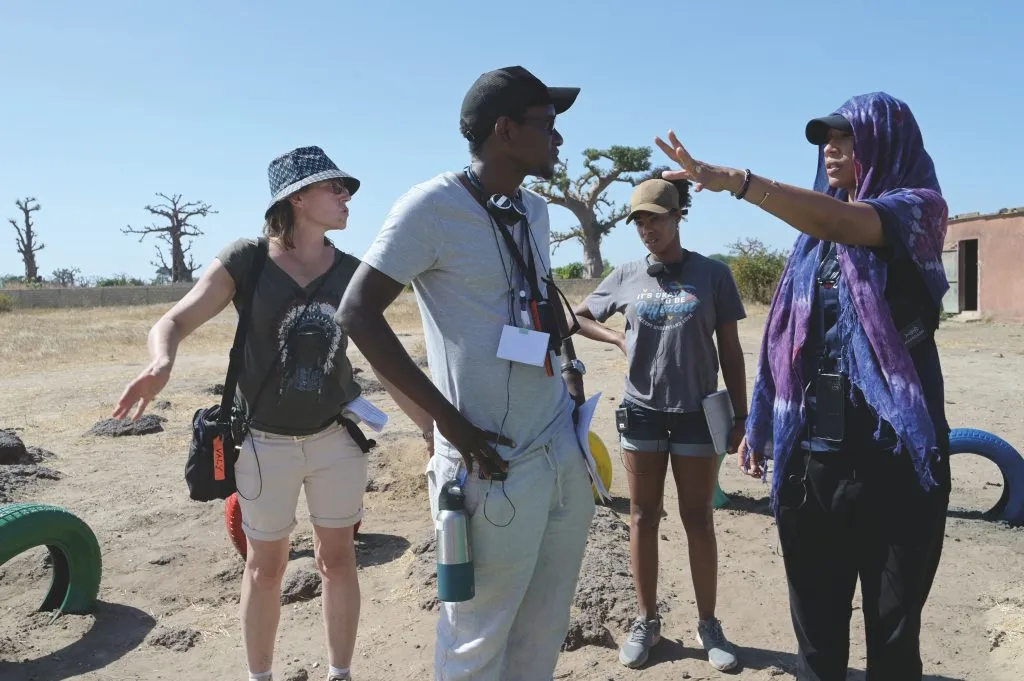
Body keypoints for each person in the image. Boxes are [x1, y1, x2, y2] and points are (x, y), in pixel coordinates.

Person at [655, 92, 952, 680]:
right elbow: (788, 343)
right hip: (815, 459)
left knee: (893, 641)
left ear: (886, 142)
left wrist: (736, 181)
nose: (833, 150)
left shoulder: (918, 210)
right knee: (816, 639)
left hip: (893, 463)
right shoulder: (809, 246)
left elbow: (844, 221)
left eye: (848, 139)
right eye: (826, 142)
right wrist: (762, 422)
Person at [336, 65, 596, 681]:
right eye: (547, 126)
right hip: (489, 463)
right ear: (504, 130)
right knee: (477, 640)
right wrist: (450, 428)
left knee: (544, 626)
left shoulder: (532, 210)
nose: (558, 139)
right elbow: (356, 313)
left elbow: (521, 313)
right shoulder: (432, 208)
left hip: (556, 448)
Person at [113, 146, 383, 681]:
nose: (347, 196)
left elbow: (383, 353)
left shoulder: (354, 271)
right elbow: (174, 320)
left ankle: (341, 674)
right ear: (298, 197)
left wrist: (431, 424)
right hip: (264, 444)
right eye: (335, 188)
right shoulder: (247, 259)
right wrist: (161, 361)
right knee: (265, 570)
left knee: (339, 561)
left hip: (336, 439)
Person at [573, 177, 747, 671]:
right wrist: (616, 339)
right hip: (642, 414)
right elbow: (574, 316)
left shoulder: (713, 275)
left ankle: (709, 624)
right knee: (643, 517)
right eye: (640, 221)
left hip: (696, 414)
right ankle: (647, 621)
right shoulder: (626, 274)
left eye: (656, 218)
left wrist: (741, 413)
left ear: (678, 217)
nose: (647, 228)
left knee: (697, 518)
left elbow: (730, 349)